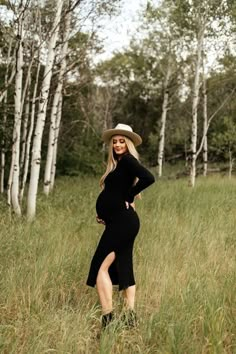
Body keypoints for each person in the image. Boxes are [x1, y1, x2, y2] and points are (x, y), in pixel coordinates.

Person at [86, 123, 155, 329]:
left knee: (100, 267)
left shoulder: (127, 161)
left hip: (123, 222)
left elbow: (148, 178)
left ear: (128, 144)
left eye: (121, 141)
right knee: (124, 265)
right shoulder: (119, 165)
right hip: (119, 221)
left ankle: (108, 320)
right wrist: (105, 214)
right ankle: (130, 317)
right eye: (114, 141)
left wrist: (129, 195)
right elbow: (117, 194)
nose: (117, 144)